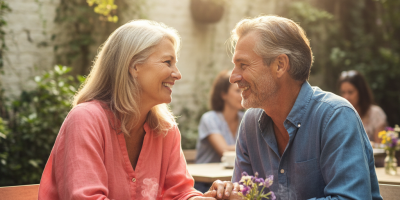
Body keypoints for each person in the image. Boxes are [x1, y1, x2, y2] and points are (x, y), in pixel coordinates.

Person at [38, 20, 235, 200]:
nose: (177, 74)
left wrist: (209, 199)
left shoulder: (166, 130)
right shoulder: (85, 120)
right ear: (134, 67)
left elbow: (181, 193)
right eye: (168, 62)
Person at [227, 16, 382, 199]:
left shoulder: (336, 116)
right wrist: (227, 194)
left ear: (280, 65)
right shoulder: (250, 124)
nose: (233, 77)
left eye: (243, 65)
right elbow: (244, 195)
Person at [194, 70, 244, 192]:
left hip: (229, 181)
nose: (242, 94)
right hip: (203, 182)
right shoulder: (210, 118)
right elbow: (224, 150)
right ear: (224, 94)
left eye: (243, 89)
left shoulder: (244, 118)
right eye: (237, 91)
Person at [338, 70, 387, 144]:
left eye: (350, 92)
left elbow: (382, 146)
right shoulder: (339, 115)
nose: (346, 97)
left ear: (361, 92)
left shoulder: (375, 114)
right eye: (343, 92)